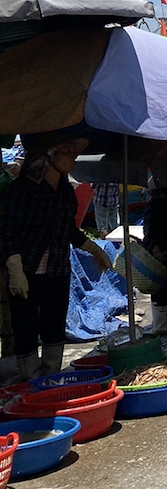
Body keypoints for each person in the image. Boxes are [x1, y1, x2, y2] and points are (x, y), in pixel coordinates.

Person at [1, 136, 111, 380]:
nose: (73, 157)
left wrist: (93, 249)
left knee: (54, 324)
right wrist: (14, 266)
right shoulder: (22, 189)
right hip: (27, 269)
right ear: (50, 156)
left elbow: (68, 230)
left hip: (57, 269)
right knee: (26, 326)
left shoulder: (65, 193)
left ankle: (51, 376)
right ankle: (31, 379)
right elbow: (7, 229)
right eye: (68, 152)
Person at [141, 179, 167, 335]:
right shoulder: (158, 204)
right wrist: (157, 249)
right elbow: (151, 229)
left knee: (166, 283)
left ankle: (161, 321)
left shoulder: (160, 201)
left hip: (165, 249)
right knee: (163, 284)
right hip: (161, 251)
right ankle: (159, 323)